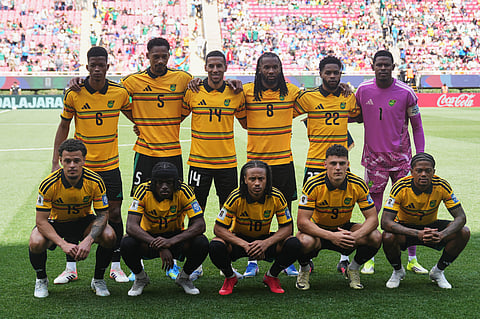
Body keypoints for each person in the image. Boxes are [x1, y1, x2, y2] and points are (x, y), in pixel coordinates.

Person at [52, 46, 130, 284]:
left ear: (108, 66)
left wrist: (140, 126)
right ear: (87, 67)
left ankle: (115, 266)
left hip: (110, 166)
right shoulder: (73, 93)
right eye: (93, 65)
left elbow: (137, 115)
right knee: (75, 214)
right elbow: (64, 127)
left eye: (101, 65)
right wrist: (56, 162)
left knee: (114, 213)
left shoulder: (120, 92)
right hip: (82, 168)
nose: (97, 69)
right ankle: (71, 267)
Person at [355, 50, 426, 275]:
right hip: (374, 160)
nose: (383, 68)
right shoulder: (362, 90)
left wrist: (420, 156)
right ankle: (369, 258)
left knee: (408, 208)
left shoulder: (406, 92)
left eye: (387, 65)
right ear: (373, 66)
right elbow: (351, 114)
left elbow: (417, 126)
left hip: (402, 159)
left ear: (393, 66)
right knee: (372, 209)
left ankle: (412, 259)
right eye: (379, 65)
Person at [294, 55, 360, 276]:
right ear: (320, 74)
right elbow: (287, 109)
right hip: (314, 162)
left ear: (341, 74)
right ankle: (305, 259)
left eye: (336, 73)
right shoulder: (307, 98)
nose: (332, 76)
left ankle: (344, 257)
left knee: (343, 210)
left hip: (341, 164)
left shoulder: (348, 98)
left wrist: (348, 89)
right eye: (328, 73)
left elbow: (359, 116)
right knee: (307, 214)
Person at [29, 139, 116, 298]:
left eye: (76, 160)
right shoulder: (48, 184)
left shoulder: (95, 181)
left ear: (84, 160)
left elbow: (103, 214)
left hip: (83, 222)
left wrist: (88, 240)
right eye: (67, 161)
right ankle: (41, 279)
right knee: (35, 242)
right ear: (61, 161)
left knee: (109, 235)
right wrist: (62, 243)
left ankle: (98, 279)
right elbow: (41, 221)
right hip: (57, 223)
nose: (72, 165)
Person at [242, 52, 300, 277]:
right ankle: (252, 259)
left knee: (285, 212)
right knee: (252, 213)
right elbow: (240, 115)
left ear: (280, 68)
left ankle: (286, 260)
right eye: (266, 67)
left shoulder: (292, 91)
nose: (271, 71)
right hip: (256, 164)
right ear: (259, 69)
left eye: (275, 67)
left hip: (283, 162)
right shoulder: (247, 91)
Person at [295, 144, 381, 290]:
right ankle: (304, 270)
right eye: (333, 163)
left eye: (342, 163)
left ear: (348, 164)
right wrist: (331, 236)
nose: (338, 168)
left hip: (344, 229)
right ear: (325, 165)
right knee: (303, 240)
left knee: (375, 236)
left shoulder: (358, 184)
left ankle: (353, 268)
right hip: (319, 230)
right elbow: (302, 222)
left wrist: (355, 236)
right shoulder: (313, 184)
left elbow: (373, 219)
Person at [209, 160, 301, 295]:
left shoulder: (276, 196)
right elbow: (218, 229)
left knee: (293, 243)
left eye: (261, 179)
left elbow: (287, 228)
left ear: (267, 179)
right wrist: (245, 245)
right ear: (245, 179)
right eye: (252, 179)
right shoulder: (236, 197)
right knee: (215, 245)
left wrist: (265, 243)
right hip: (239, 241)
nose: (257, 183)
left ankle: (271, 276)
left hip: (264, 240)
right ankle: (230, 277)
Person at [382, 153, 470, 289]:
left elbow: (461, 217)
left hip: (432, 228)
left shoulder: (442, 185)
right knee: (387, 236)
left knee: (463, 232)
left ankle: (438, 271)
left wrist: (442, 234)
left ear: (433, 172)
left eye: (428, 171)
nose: (423, 174)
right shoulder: (401, 187)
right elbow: (385, 222)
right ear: (412, 172)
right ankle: (398, 271)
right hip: (407, 228)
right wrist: (417, 233)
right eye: (419, 171)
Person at [121, 162, 209, 296]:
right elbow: (131, 226)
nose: (164, 187)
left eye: (169, 183)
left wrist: (171, 242)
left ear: (176, 183)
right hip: (149, 238)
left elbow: (200, 225)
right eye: (159, 183)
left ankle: (184, 278)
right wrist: (161, 246)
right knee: (126, 243)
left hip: (175, 237)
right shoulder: (143, 190)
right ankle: (140, 278)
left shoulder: (184, 191)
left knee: (202, 242)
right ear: (153, 183)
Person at [182, 50, 246, 213]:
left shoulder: (235, 93)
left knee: (227, 209)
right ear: (205, 67)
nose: (215, 69)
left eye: (219, 66)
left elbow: (246, 123)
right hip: (198, 162)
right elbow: (177, 118)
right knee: (195, 208)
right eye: (211, 66)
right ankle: (194, 238)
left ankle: (225, 239)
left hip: (227, 162)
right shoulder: (193, 91)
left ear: (225, 67)